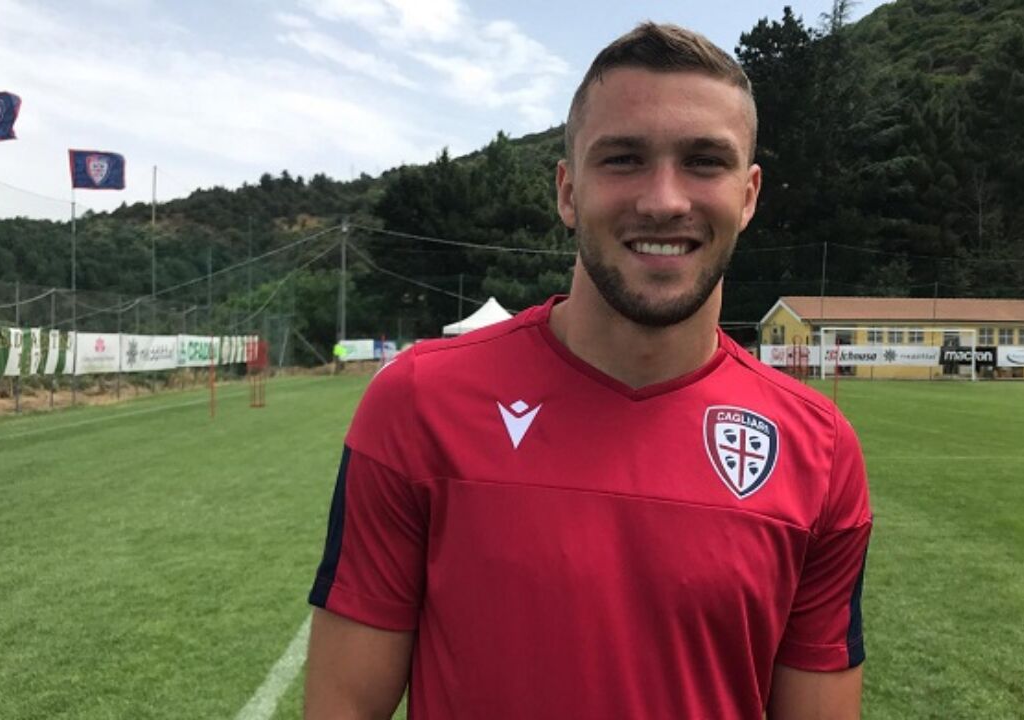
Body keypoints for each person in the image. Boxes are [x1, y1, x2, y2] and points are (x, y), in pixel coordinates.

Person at [305, 22, 872, 720]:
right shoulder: (419, 402)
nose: (664, 200)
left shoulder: (820, 451)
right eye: (623, 159)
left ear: (749, 195)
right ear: (568, 191)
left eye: (704, 161)